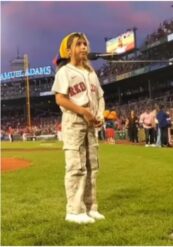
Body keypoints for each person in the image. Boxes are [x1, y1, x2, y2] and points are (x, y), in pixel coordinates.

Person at [52, 32, 106, 224]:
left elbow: (100, 97)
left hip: (91, 124)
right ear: (68, 51)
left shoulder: (91, 73)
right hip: (74, 122)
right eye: (78, 44)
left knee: (92, 167)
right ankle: (74, 211)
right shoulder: (64, 72)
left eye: (85, 44)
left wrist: (99, 114)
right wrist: (83, 112)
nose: (83, 47)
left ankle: (91, 207)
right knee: (76, 166)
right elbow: (60, 98)